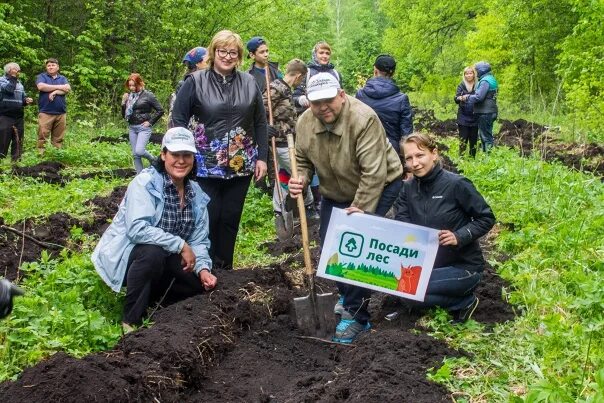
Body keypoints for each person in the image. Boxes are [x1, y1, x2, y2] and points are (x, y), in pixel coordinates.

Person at [288, 73, 402, 343]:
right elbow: (302, 159)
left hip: (380, 184)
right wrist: (300, 179)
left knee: (357, 249)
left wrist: (360, 209)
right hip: (335, 190)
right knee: (331, 247)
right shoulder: (304, 123)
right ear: (309, 103)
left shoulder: (364, 119)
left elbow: (374, 172)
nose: (323, 107)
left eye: (329, 100)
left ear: (341, 94)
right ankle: (347, 293)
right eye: (317, 103)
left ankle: (357, 315)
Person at [92, 127, 217, 330]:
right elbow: (137, 229)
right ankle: (130, 320)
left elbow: (199, 240)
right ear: (163, 154)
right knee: (152, 253)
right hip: (131, 257)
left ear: (194, 158)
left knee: (194, 287)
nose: (181, 160)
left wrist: (203, 269)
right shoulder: (146, 183)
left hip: (168, 257)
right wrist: (180, 244)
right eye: (175, 154)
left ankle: (154, 301)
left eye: (187, 155)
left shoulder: (196, 193)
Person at [172, 29, 268, 270]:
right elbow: (178, 120)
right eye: (222, 51)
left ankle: (225, 270)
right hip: (204, 164)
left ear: (239, 56)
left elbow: (260, 122)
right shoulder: (195, 82)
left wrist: (263, 158)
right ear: (213, 53)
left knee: (230, 219)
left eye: (232, 52)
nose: (227, 56)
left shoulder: (249, 82)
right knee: (209, 217)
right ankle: (204, 267)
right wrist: (180, 156)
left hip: (241, 163)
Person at [393, 133, 494, 322]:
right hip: (429, 265)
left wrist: (459, 236)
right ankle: (437, 299)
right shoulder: (407, 189)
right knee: (402, 288)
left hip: (463, 267)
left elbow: (486, 217)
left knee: (408, 290)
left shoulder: (457, 184)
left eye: (420, 155)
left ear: (434, 154)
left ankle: (465, 301)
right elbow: (402, 225)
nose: (415, 163)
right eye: (409, 158)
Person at [263, 58, 316, 220]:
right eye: (301, 79)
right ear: (298, 76)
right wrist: (264, 127)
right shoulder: (276, 88)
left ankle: (279, 210)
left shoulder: (285, 89)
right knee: (298, 173)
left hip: (287, 140)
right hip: (280, 142)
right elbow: (259, 108)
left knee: (284, 174)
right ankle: (308, 206)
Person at [356, 54, 413, 154]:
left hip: (364, 149)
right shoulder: (402, 99)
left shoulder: (360, 95)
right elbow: (406, 135)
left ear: (375, 70)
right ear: (393, 73)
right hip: (392, 151)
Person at [246, 36, 282, 195]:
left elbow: (285, 93)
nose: (266, 54)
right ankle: (260, 190)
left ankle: (276, 189)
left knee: (276, 160)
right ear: (252, 55)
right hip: (259, 124)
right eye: (262, 52)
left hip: (278, 121)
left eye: (267, 51)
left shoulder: (275, 71)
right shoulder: (249, 76)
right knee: (261, 156)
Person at [121, 73, 164, 173]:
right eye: (130, 85)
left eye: (133, 85)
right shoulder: (129, 96)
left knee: (139, 151)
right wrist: (123, 103)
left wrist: (150, 122)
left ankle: (153, 160)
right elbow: (124, 115)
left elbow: (160, 110)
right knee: (135, 155)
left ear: (139, 83)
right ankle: (139, 176)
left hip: (143, 127)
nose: (131, 88)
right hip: (132, 127)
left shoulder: (148, 95)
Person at [36, 58, 71, 154]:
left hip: (61, 113)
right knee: (43, 136)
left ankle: (55, 155)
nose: (51, 67)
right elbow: (41, 87)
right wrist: (60, 87)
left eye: (53, 65)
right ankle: (41, 155)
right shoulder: (42, 76)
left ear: (58, 67)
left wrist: (54, 92)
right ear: (46, 68)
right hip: (46, 112)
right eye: (48, 66)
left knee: (58, 137)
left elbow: (67, 88)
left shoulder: (62, 78)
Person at [168, 47, 209, 129]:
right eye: (207, 60)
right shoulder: (188, 85)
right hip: (194, 133)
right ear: (198, 63)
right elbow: (176, 117)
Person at [0, 62, 34, 161]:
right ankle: (1, 163)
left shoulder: (19, 83)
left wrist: (26, 101)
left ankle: (16, 165)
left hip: (18, 117)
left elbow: (22, 99)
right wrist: (13, 77)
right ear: (9, 70)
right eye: (15, 69)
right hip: (5, 116)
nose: (17, 71)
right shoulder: (1, 80)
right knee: (3, 141)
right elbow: (9, 90)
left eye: (18, 69)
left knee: (18, 141)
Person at [462, 61, 498, 153]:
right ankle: (488, 156)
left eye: (477, 70)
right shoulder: (491, 79)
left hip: (485, 112)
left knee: (485, 137)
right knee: (487, 135)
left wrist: (467, 97)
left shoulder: (485, 81)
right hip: (491, 110)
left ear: (482, 70)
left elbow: (479, 97)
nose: (476, 72)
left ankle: (488, 158)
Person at [454, 66, 479, 157]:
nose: (468, 75)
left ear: (474, 74)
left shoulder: (478, 85)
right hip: (463, 115)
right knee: (463, 138)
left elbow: (480, 97)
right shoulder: (461, 85)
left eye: (470, 73)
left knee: (473, 139)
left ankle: (472, 158)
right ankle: (461, 157)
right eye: (466, 73)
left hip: (475, 115)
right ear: (464, 75)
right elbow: (456, 99)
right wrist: (460, 98)